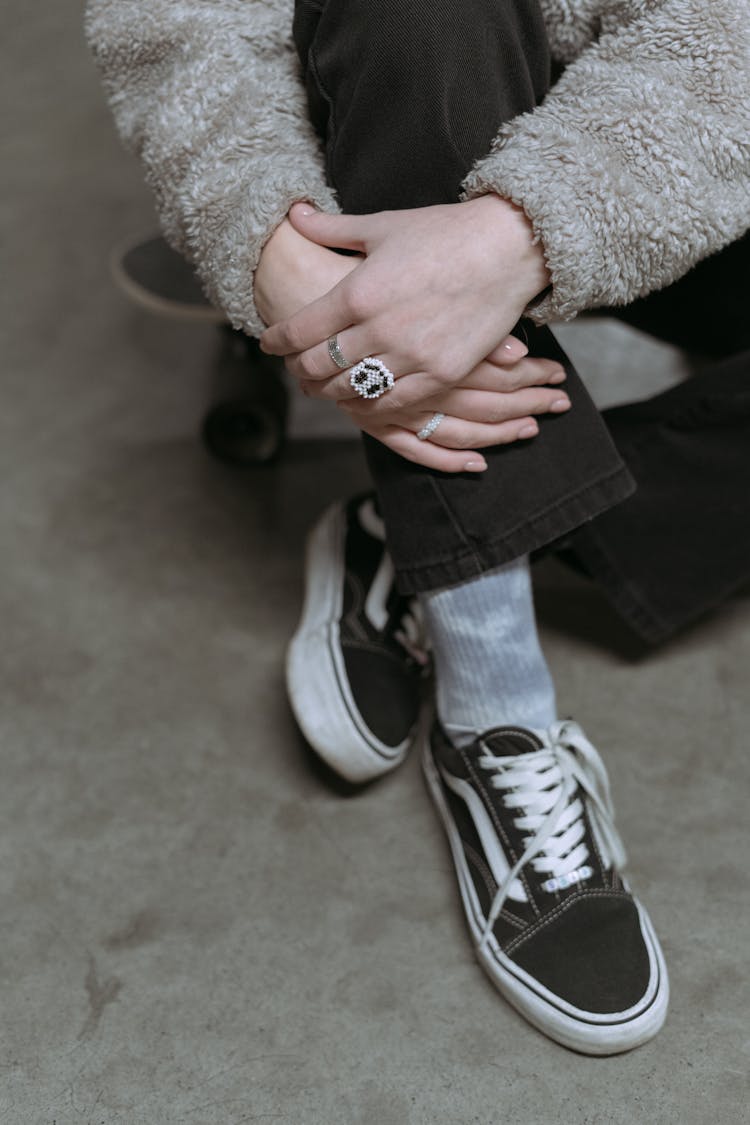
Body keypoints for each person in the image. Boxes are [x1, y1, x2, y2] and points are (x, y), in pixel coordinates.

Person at [85, 0, 749, 1055]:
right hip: (386, 124)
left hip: (671, 127)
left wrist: (517, 232)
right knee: (424, 17)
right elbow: (178, 25)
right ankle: (494, 701)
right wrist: (281, 257)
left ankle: (420, 545)